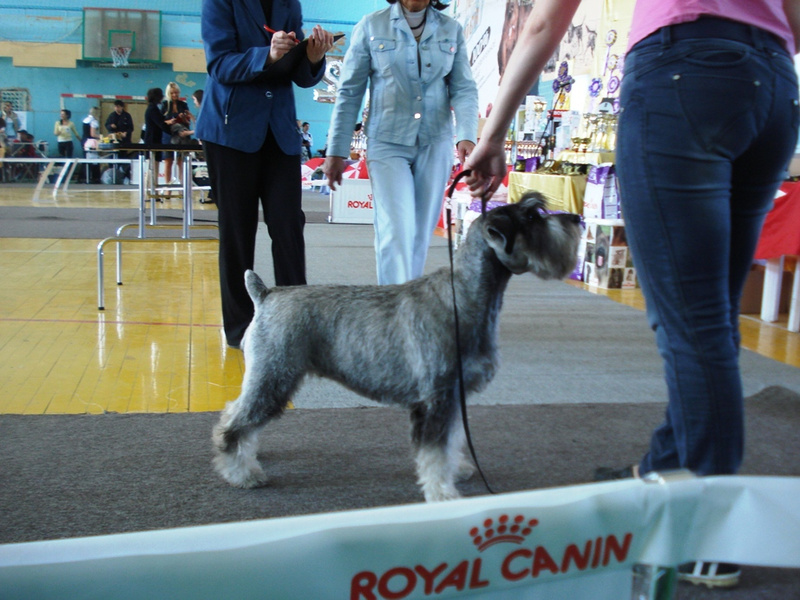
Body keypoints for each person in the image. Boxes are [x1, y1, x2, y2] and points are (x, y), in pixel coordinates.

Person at [464, 0, 800, 589]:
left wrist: (493, 134)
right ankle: (666, 467)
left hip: (683, 72)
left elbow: (544, 20)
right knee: (714, 315)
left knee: (694, 324)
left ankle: (705, 532)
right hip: (772, 81)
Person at [195, 0, 335, 349]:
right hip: (229, 133)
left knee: (289, 227)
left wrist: (313, 57)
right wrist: (268, 55)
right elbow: (219, 64)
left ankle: (296, 322)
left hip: (279, 132)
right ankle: (241, 330)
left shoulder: (289, 4)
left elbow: (299, 74)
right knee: (237, 232)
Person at [323, 0, 479, 285]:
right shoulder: (371, 25)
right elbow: (350, 91)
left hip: (435, 141)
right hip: (387, 141)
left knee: (419, 233)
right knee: (396, 228)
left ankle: (409, 302)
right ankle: (393, 305)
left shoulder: (452, 29)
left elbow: (463, 88)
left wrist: (467, 135)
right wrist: (336, 150)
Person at [144, 87, 184, 186]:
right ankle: (150, 189)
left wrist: (170, 121)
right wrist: (174, 132)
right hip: (152, 141)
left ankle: (153, 189)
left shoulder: (153, 108)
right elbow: (161, 124)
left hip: (155, 140)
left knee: (154, 166)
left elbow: (162, 121)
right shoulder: (153, 109)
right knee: (152, 167)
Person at [161, 81, 192, 184]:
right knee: (168, 161)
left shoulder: (183, 105)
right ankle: (168, 188)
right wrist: (169, 121)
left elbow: (188, 121)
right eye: (172, 93)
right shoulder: (164, 105)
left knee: (181, 161)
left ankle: (182, 187)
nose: (174, 95)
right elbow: (160, 121)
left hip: (181, 135)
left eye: (176, 92)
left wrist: (183, 118)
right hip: (168, 135)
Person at [81, 107, 101, 183]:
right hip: (91, 142)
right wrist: (101, 137)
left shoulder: (86, 120)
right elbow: (93, 134)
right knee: (94, 160)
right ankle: (95, 177)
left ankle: (85, 177)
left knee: (86, 159)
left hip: (84, 141)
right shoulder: (94, 121)